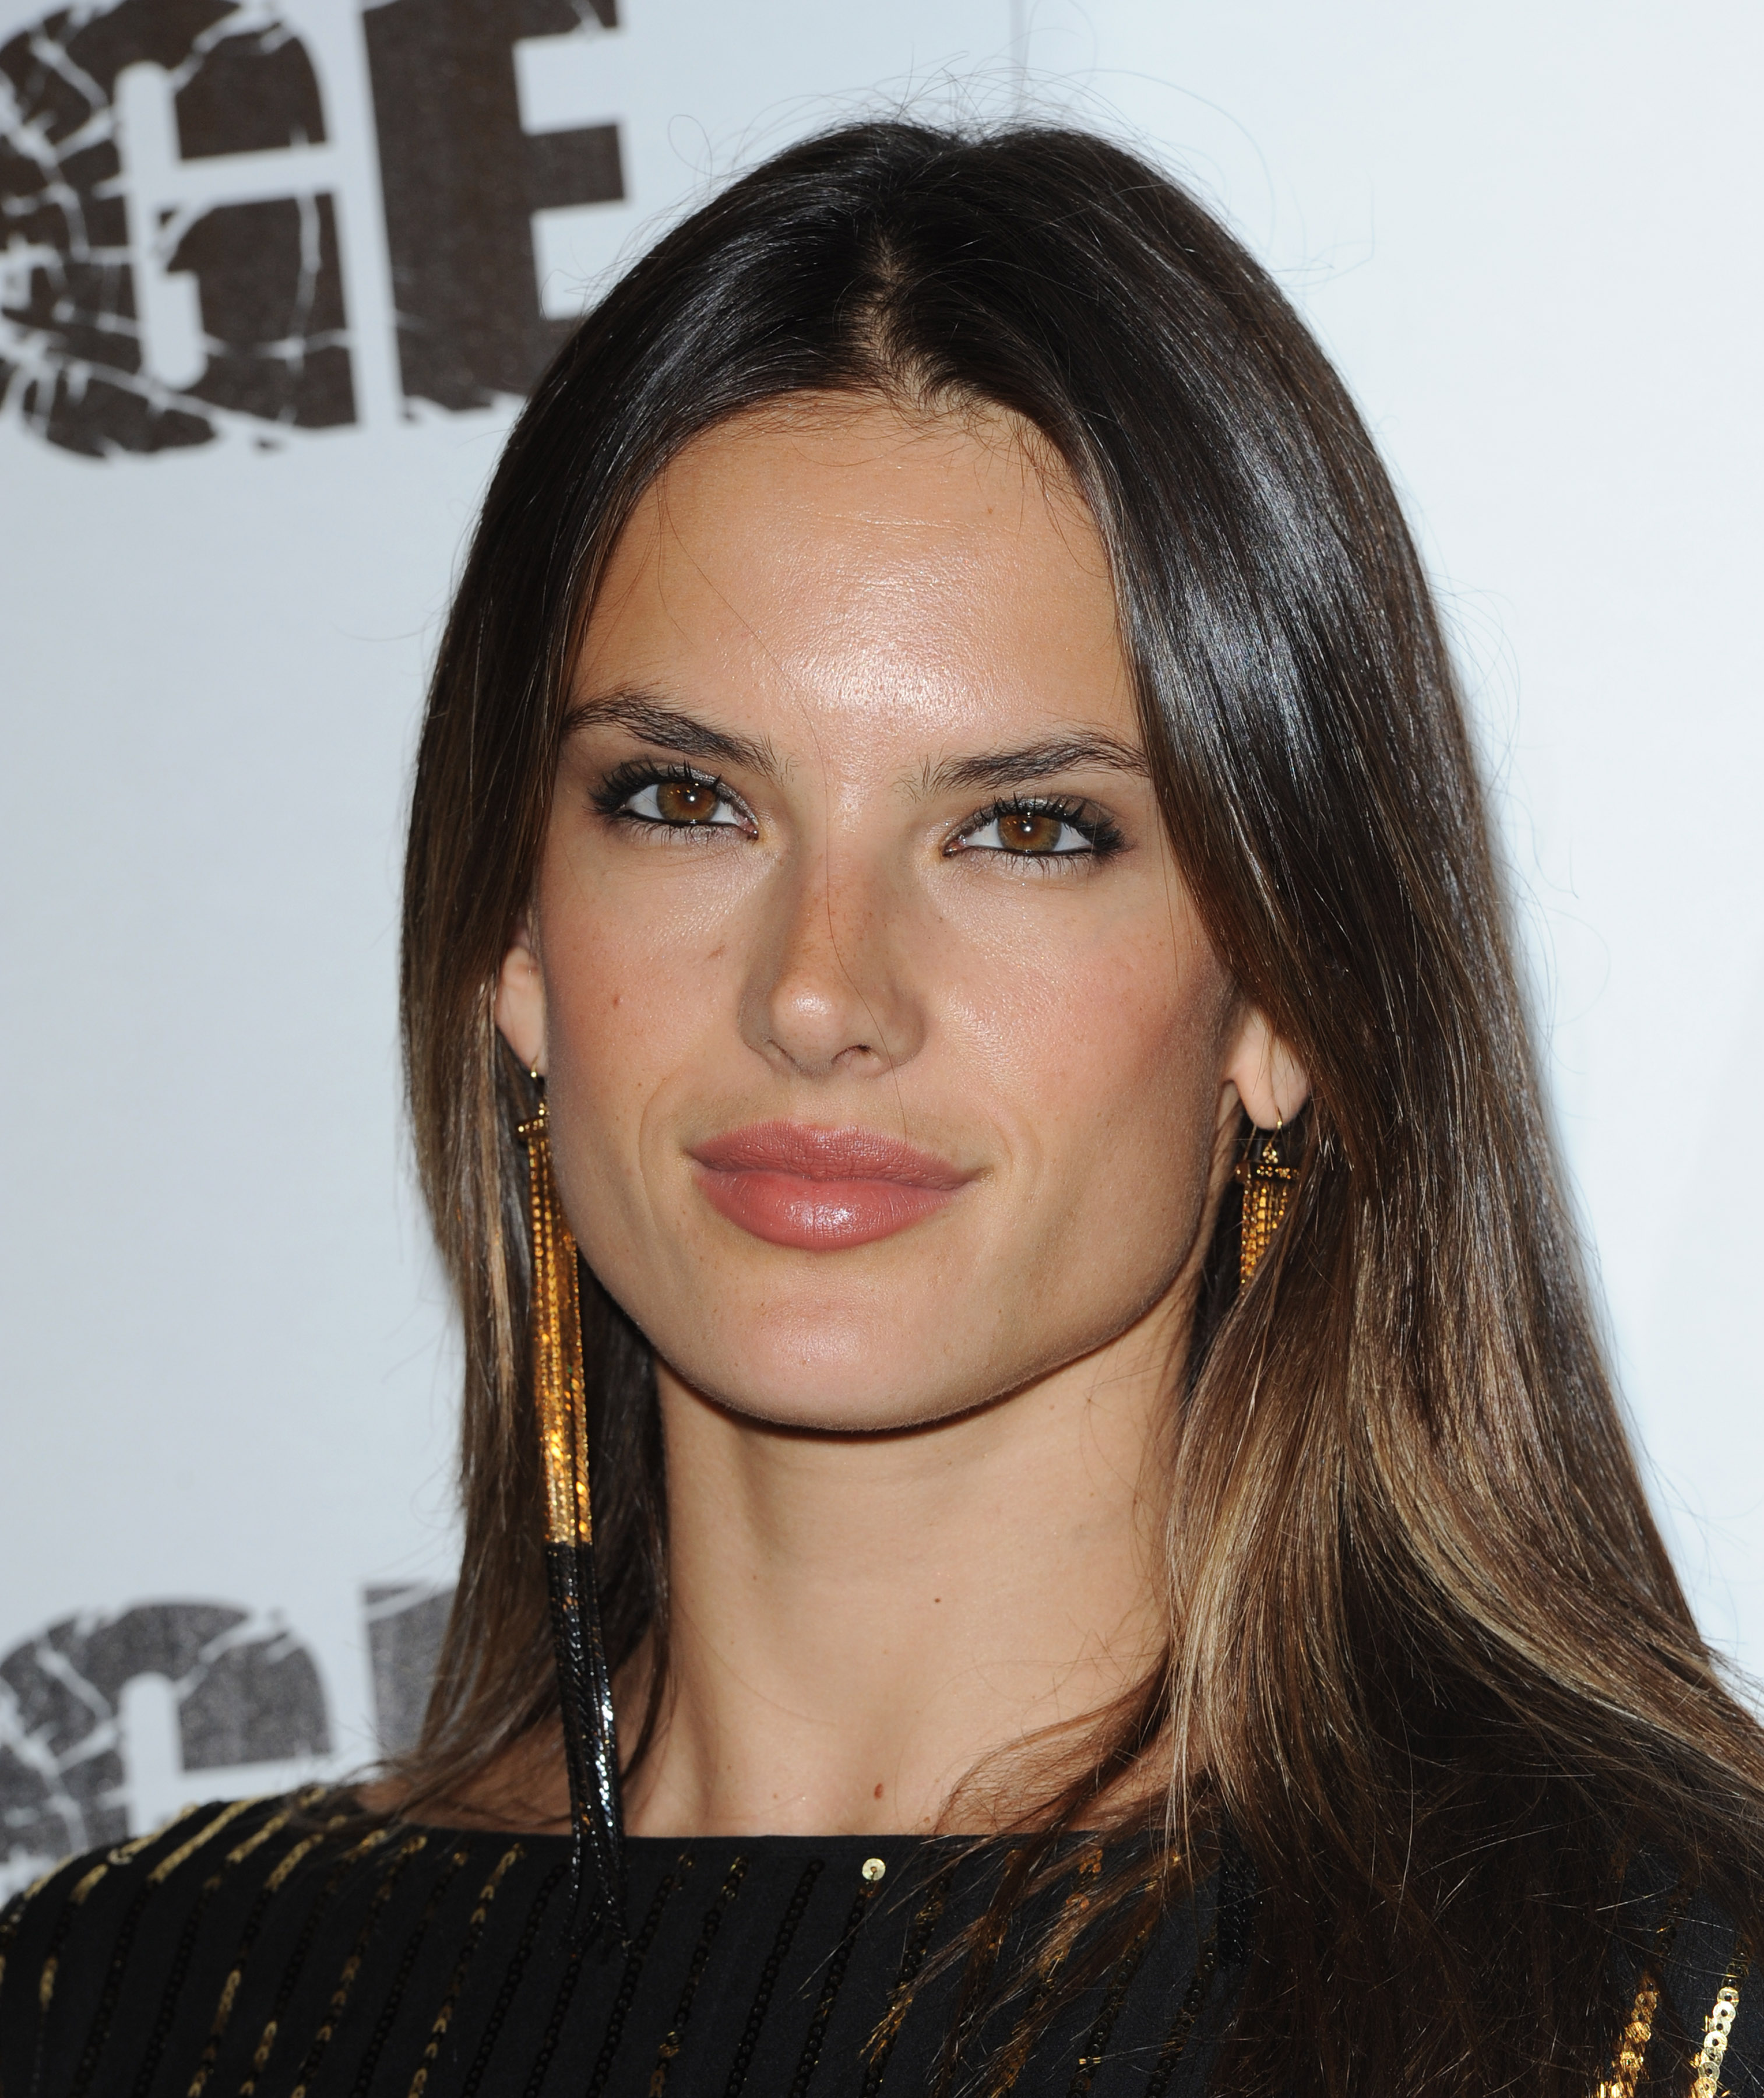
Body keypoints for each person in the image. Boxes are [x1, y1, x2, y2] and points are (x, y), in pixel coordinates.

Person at [3, 119, 1760, 2098]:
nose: (818, 994)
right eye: (686, 802)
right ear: (514, 939)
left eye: (1026, 830)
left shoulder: (1653, 2003)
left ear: (1278, 991)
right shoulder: (120, 2005)